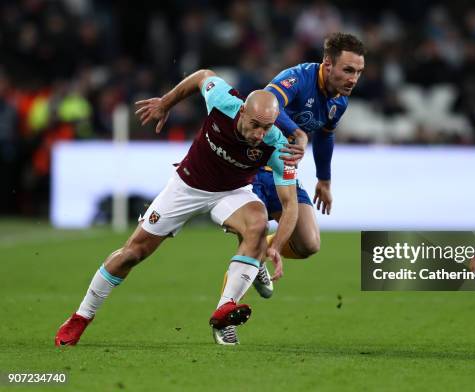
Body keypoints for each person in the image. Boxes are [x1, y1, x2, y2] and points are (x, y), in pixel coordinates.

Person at [54, 69, 298, 346]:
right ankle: (81, 317)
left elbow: (290, 205)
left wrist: (276, 245)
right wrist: (165, 103)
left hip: (232, 193)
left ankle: (224, 312)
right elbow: (201, 76)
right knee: (133, 253)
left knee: (258, 223)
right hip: (186, 187)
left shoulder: (277, 145)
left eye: (267, 127)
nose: (259, 134)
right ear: (242, 111)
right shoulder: (222, 100)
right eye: (255, 125)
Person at [247, 32, 365, 298]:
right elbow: (268, 101)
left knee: (309, 243)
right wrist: (298, 132)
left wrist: (324, 179)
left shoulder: (340, 101)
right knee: (249, 239)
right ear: (327, 64)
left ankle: (262, 251)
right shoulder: (298, 79)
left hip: (283, 170)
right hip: (251, 165)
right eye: (348, 70)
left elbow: (325, 134)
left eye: (358, 72)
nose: (353, 79)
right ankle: (227, 311)